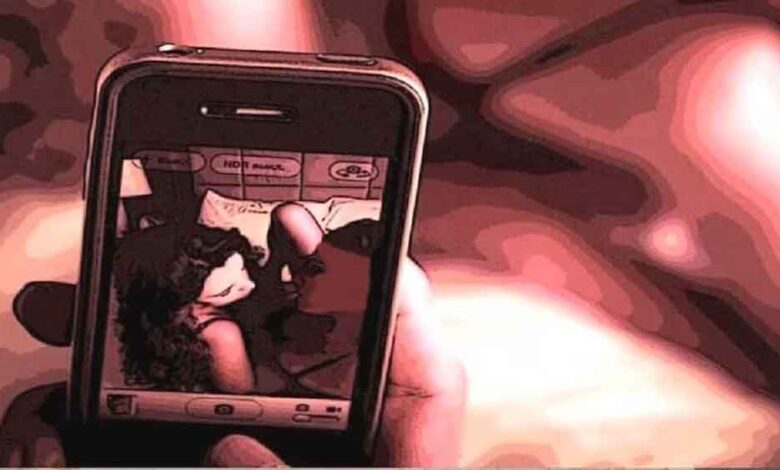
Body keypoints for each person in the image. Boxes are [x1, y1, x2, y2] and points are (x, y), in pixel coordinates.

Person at [0, 258, 466, 467]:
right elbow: (238, 392)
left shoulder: (176, 320)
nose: (251, 281)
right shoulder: (221, 330)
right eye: (234, 279)